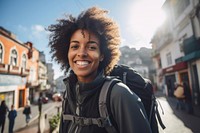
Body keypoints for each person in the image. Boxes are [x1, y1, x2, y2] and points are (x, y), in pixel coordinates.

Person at [48, 6, 152, 133]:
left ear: (102, 55)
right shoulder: (68, 95)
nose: (81, 53)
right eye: (75, 46)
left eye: (91, 47)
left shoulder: (119, 94)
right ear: (67, 52)